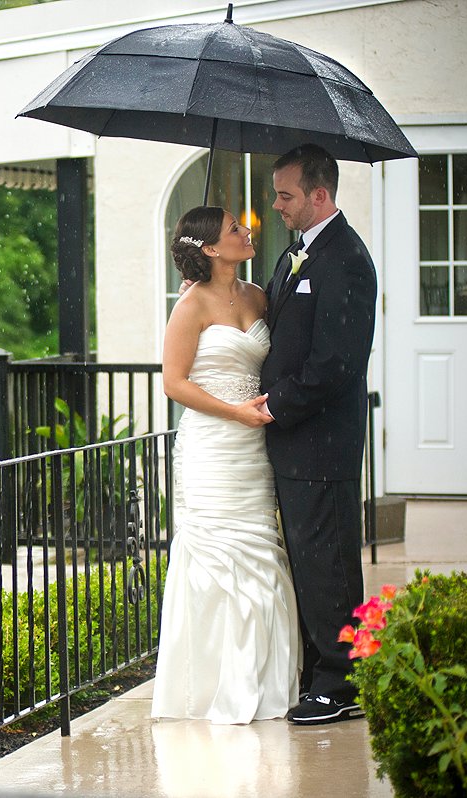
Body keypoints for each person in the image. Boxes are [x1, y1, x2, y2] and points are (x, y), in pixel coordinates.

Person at [151, 205, 301, 725]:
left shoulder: (260, 296)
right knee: (215, 560)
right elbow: (174, 383)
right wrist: (235, 411)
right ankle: (211, 686)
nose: (247, 230)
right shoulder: (189, 306)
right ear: (211, 249)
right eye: (234, 228)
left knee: (260, 551)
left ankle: (263, 683)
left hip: (253, 447)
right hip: (212, 446)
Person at [261, 143, 377, 725]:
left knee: (328, 558)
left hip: (322, 441)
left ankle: (343, 682)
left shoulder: (347, 260)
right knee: (306, 560)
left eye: (286, 195)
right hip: (293, 442)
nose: (276, 206)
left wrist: (274, 406)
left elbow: (336, 364)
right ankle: (318, 673)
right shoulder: (292, 258)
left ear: (320, 195)